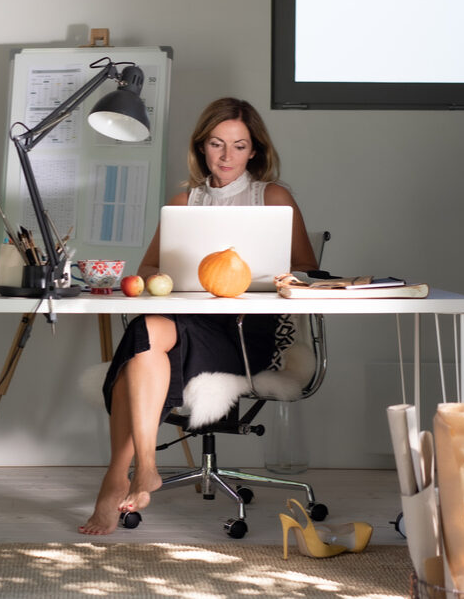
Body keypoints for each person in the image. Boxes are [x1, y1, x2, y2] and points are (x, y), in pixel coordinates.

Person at [78, 96, 318, 535]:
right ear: (202, 147)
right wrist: (181, 274)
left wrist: (280, 275)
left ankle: (115, 479)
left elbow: (308, 267)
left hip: (246, 335)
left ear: (255, 150)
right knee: (145, 329)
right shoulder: (186, 199)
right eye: (217, 144)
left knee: (140, 350)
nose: (227, 156)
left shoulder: (273, 196)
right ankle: (144, 467)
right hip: (191, 320)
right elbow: (148, 268)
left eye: (239, 145)